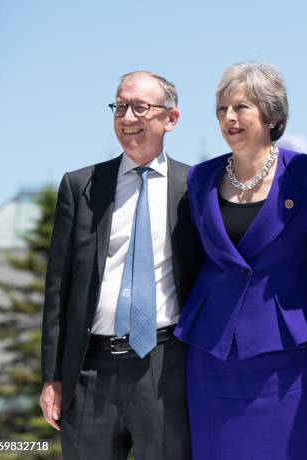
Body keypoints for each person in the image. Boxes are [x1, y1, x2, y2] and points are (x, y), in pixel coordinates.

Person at [173, 62, 307, 459]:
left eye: (240, 108)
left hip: (286, 354)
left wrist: (303, 285)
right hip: (212, 352)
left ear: (270, 114)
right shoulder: (200, 179)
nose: (229, 118)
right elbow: (193, 260)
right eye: (221, 109)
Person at [39, 71, 202, 459]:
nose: (128, 117)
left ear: (171, 119)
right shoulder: (80, 187)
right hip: (89, 373)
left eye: (140, 107)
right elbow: (57, 289)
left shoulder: (195, 187)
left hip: (165, 368)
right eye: (120, 106)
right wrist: (52, 377)